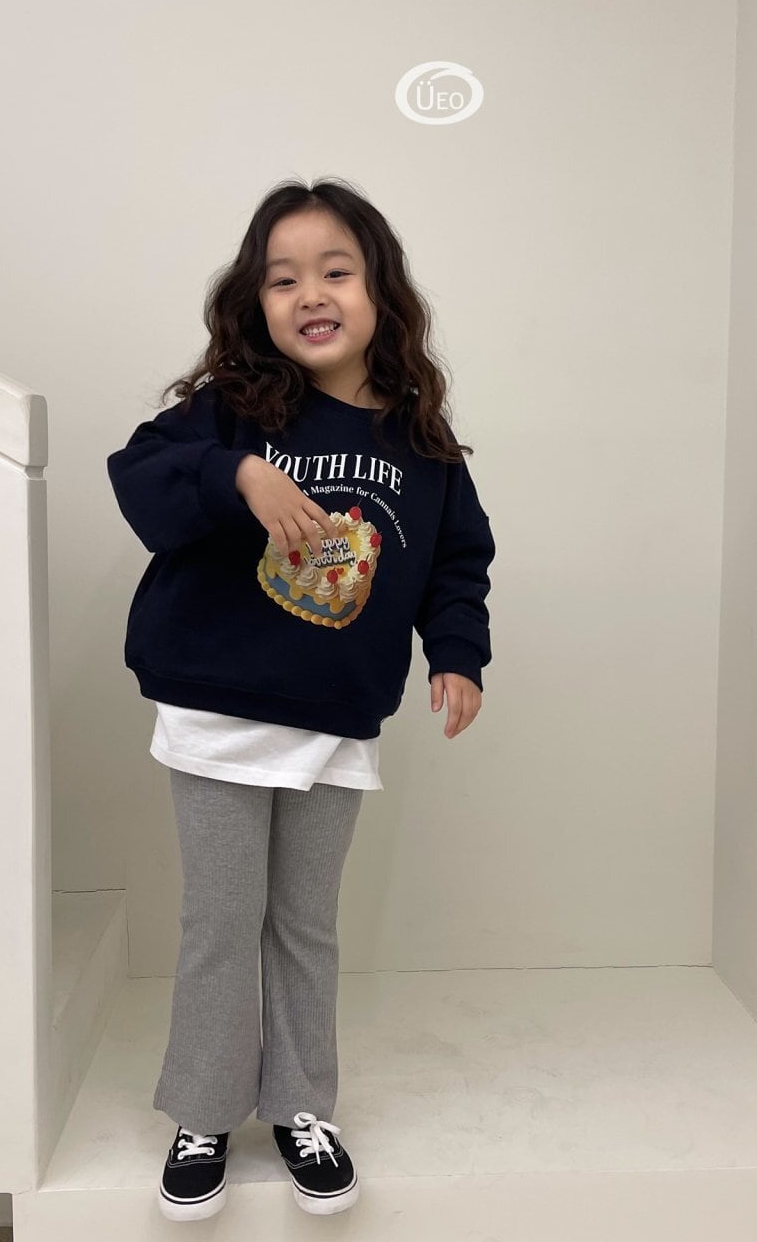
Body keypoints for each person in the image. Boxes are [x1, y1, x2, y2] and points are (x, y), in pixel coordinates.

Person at [105, 177, 495, 1221]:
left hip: (334, 718)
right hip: (219, 714)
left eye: (335, 271)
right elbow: (140, 477)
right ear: (257, 301)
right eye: (283, 279)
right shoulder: (232, 413)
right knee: (221, 923)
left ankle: (300, 1105)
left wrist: (457, 654)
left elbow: (456, 561)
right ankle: (203, 1108)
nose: (310, 293)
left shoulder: (422, 444)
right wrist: (238, 476)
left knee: (304, 927)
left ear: (379, 293)